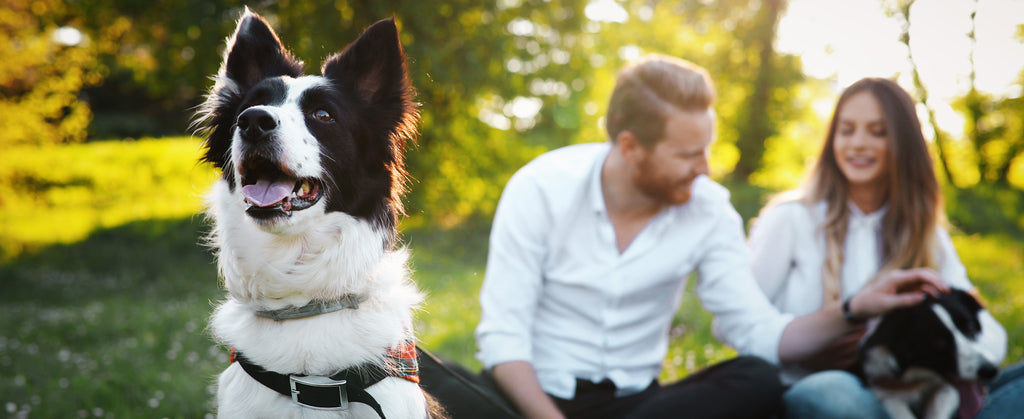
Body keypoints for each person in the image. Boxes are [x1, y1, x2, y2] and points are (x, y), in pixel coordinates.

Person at [473, 57, 946, 419]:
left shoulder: (709, 209)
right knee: (422, 379)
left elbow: (756, 331)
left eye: (707, 150)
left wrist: (852, 309)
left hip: (639, 409)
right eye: (687, 155)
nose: (705, 168)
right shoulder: (540, 188)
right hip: (527, 400)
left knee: (756, 380)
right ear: (631, 148)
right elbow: (504, 341)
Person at [747, 77, 1018, 418]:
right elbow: (736, 324)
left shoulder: (925, 230)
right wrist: (803, 347)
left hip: (921, 394)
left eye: (877, 132)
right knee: (830, 393)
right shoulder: (790, 219)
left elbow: (981, 321)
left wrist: (967, 359)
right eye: (846, 130)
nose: (858, 144)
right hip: (828, 393)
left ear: (904, 144)